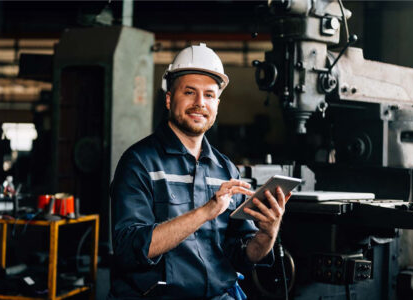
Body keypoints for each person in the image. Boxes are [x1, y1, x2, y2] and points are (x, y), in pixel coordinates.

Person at [108, 43, 290, 299]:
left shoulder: (226, 169)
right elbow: (129, 249)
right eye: (189, 92)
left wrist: (268, 232)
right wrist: (206, 212)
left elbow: (245, 255)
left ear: (217, 103)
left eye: (208, 95)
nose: (199, 103)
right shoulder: (139, 162)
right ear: (170, 98)